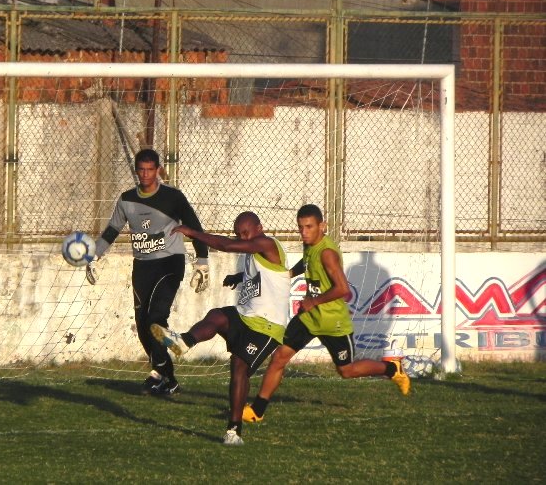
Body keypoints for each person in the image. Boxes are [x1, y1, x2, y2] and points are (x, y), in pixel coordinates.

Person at [243, 204, 411, 424]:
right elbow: (306, 262)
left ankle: (391, 368)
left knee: (347, 371)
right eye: (300, 227)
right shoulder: (310, 245)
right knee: (279, 358)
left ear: (322, 226)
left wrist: (314, 301)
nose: (304, 232)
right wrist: (288, 275)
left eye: (309, 227)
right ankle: (257, 410)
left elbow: (343, 289)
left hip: (333, 323)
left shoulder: (328, 253)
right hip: (308, 318)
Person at [151, 211, 290, 445]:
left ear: (259, 228)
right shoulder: (254, 251)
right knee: (217, 316)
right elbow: (262, 274)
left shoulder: (267, 243)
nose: (242, 238)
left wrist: (193, 232)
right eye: (238, 234)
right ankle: (183, 342)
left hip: (267, 326)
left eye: (245, 233)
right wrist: (240, 276)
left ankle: (233, 432)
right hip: (247, 316)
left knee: (239, 366)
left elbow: (226, 246)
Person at [86, 148, 209, 396]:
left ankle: (159, 372)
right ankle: (167, 378)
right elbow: (112, 229)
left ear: (158, 170)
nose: (145, 174)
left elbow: (194, 226)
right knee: (143, 325)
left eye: (150, 169)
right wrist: (94, 255)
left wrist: (202, 261)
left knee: (156, 317)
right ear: (136, 170)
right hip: (142, 266)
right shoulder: (126, 199)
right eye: (141, 169)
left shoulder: (173, 197)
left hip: (169, 263)